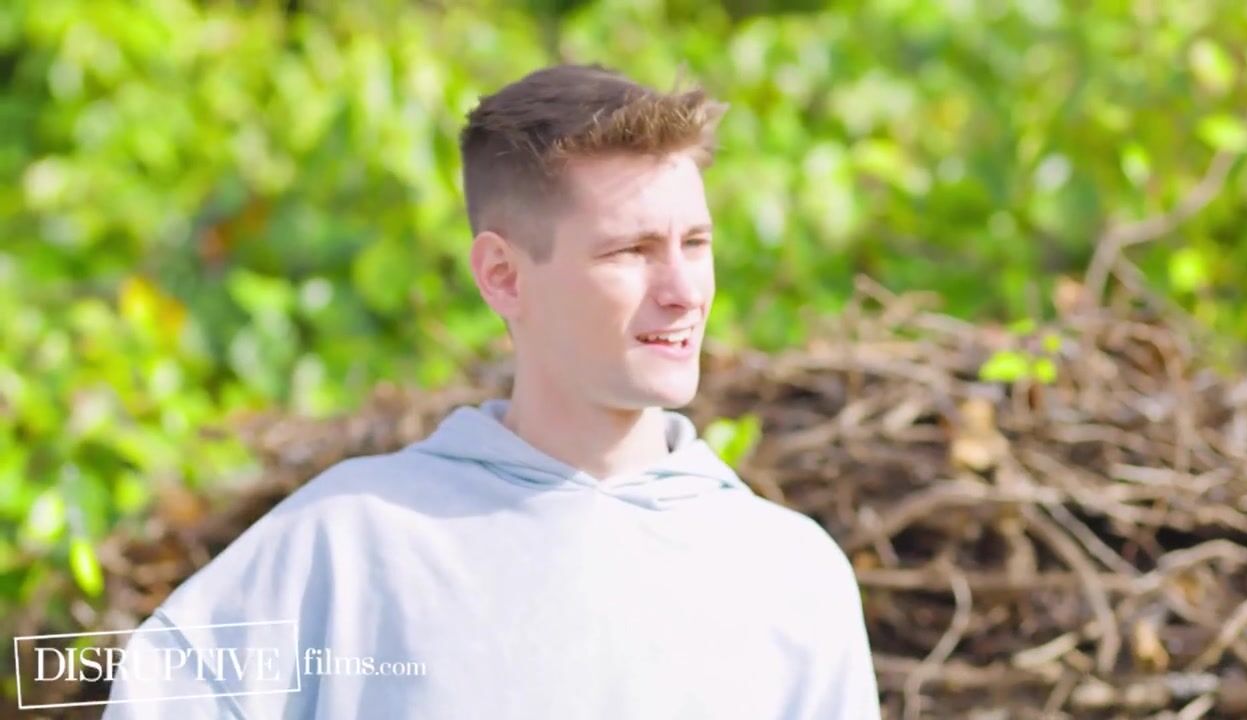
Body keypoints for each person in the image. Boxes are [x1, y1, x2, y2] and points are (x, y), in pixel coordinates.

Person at [104, 62, 880, 719]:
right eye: (631, 251)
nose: (684, 291)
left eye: (696, 243)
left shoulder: (792, 576)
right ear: (504, 276)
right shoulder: (346, 547)